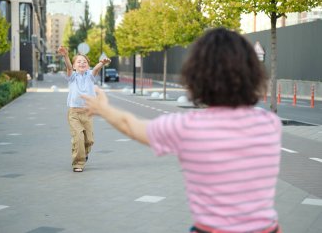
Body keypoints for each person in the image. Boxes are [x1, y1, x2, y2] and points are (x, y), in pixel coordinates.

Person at [82, 28, 282, 232]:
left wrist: (103, 109)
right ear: (253, 72)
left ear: (197, 75)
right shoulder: (270, 124)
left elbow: (129, 125)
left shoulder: (187, 127)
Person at [57, 46, 111, 173]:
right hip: (74, 113)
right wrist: (65, 56)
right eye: (78, 61)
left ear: (88, 66)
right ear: (75, 65)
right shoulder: (72, 76)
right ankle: (78, 163)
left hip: (87, 113)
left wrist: (102, 63)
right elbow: (69, 67)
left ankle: (83, 153)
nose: (82, 63)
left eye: (84, 62)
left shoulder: (90, 76)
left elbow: (96, 69)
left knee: (89, 140)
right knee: (78, 138)